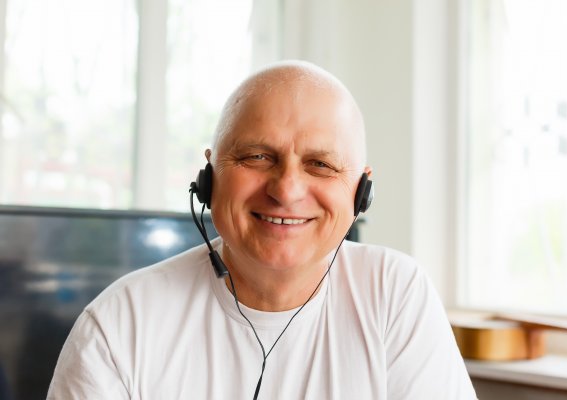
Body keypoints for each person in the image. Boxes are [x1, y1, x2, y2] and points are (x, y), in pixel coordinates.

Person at [47, 60, 476, 399]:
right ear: (209, 177)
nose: (286, 190)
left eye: (320, 164)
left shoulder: (394, 294)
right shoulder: (120, 325)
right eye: (257, 157)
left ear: (360, 193)